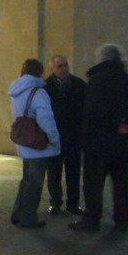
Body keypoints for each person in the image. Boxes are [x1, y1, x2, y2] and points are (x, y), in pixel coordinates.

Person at [70, 43, 128, 233]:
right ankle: (122, 218)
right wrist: (125, 124)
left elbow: (93, 112)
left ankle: (92, 219)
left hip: (98, 142)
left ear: (101, 59)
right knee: (121, 183)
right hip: (122, 143)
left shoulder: (97, 80)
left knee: (93, 183)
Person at [8, 59, 60, 229]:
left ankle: (18, 212)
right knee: (34, 182)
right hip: (37, 142)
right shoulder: (38, 92)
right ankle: (28, 217)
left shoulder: (16, 90)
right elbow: (46, 119)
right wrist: (54, 139)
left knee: (27, 179)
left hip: (23, 140)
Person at [44, 55, 86, 215]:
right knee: (54, 172)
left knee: (73, 172)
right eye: (59, 66)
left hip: (74, 136)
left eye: (65, 65)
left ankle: (73, 203)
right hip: (54, 137)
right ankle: (55, 202)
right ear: (53, 69)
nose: (63, 69)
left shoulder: (79, 84)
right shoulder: (46, 87)